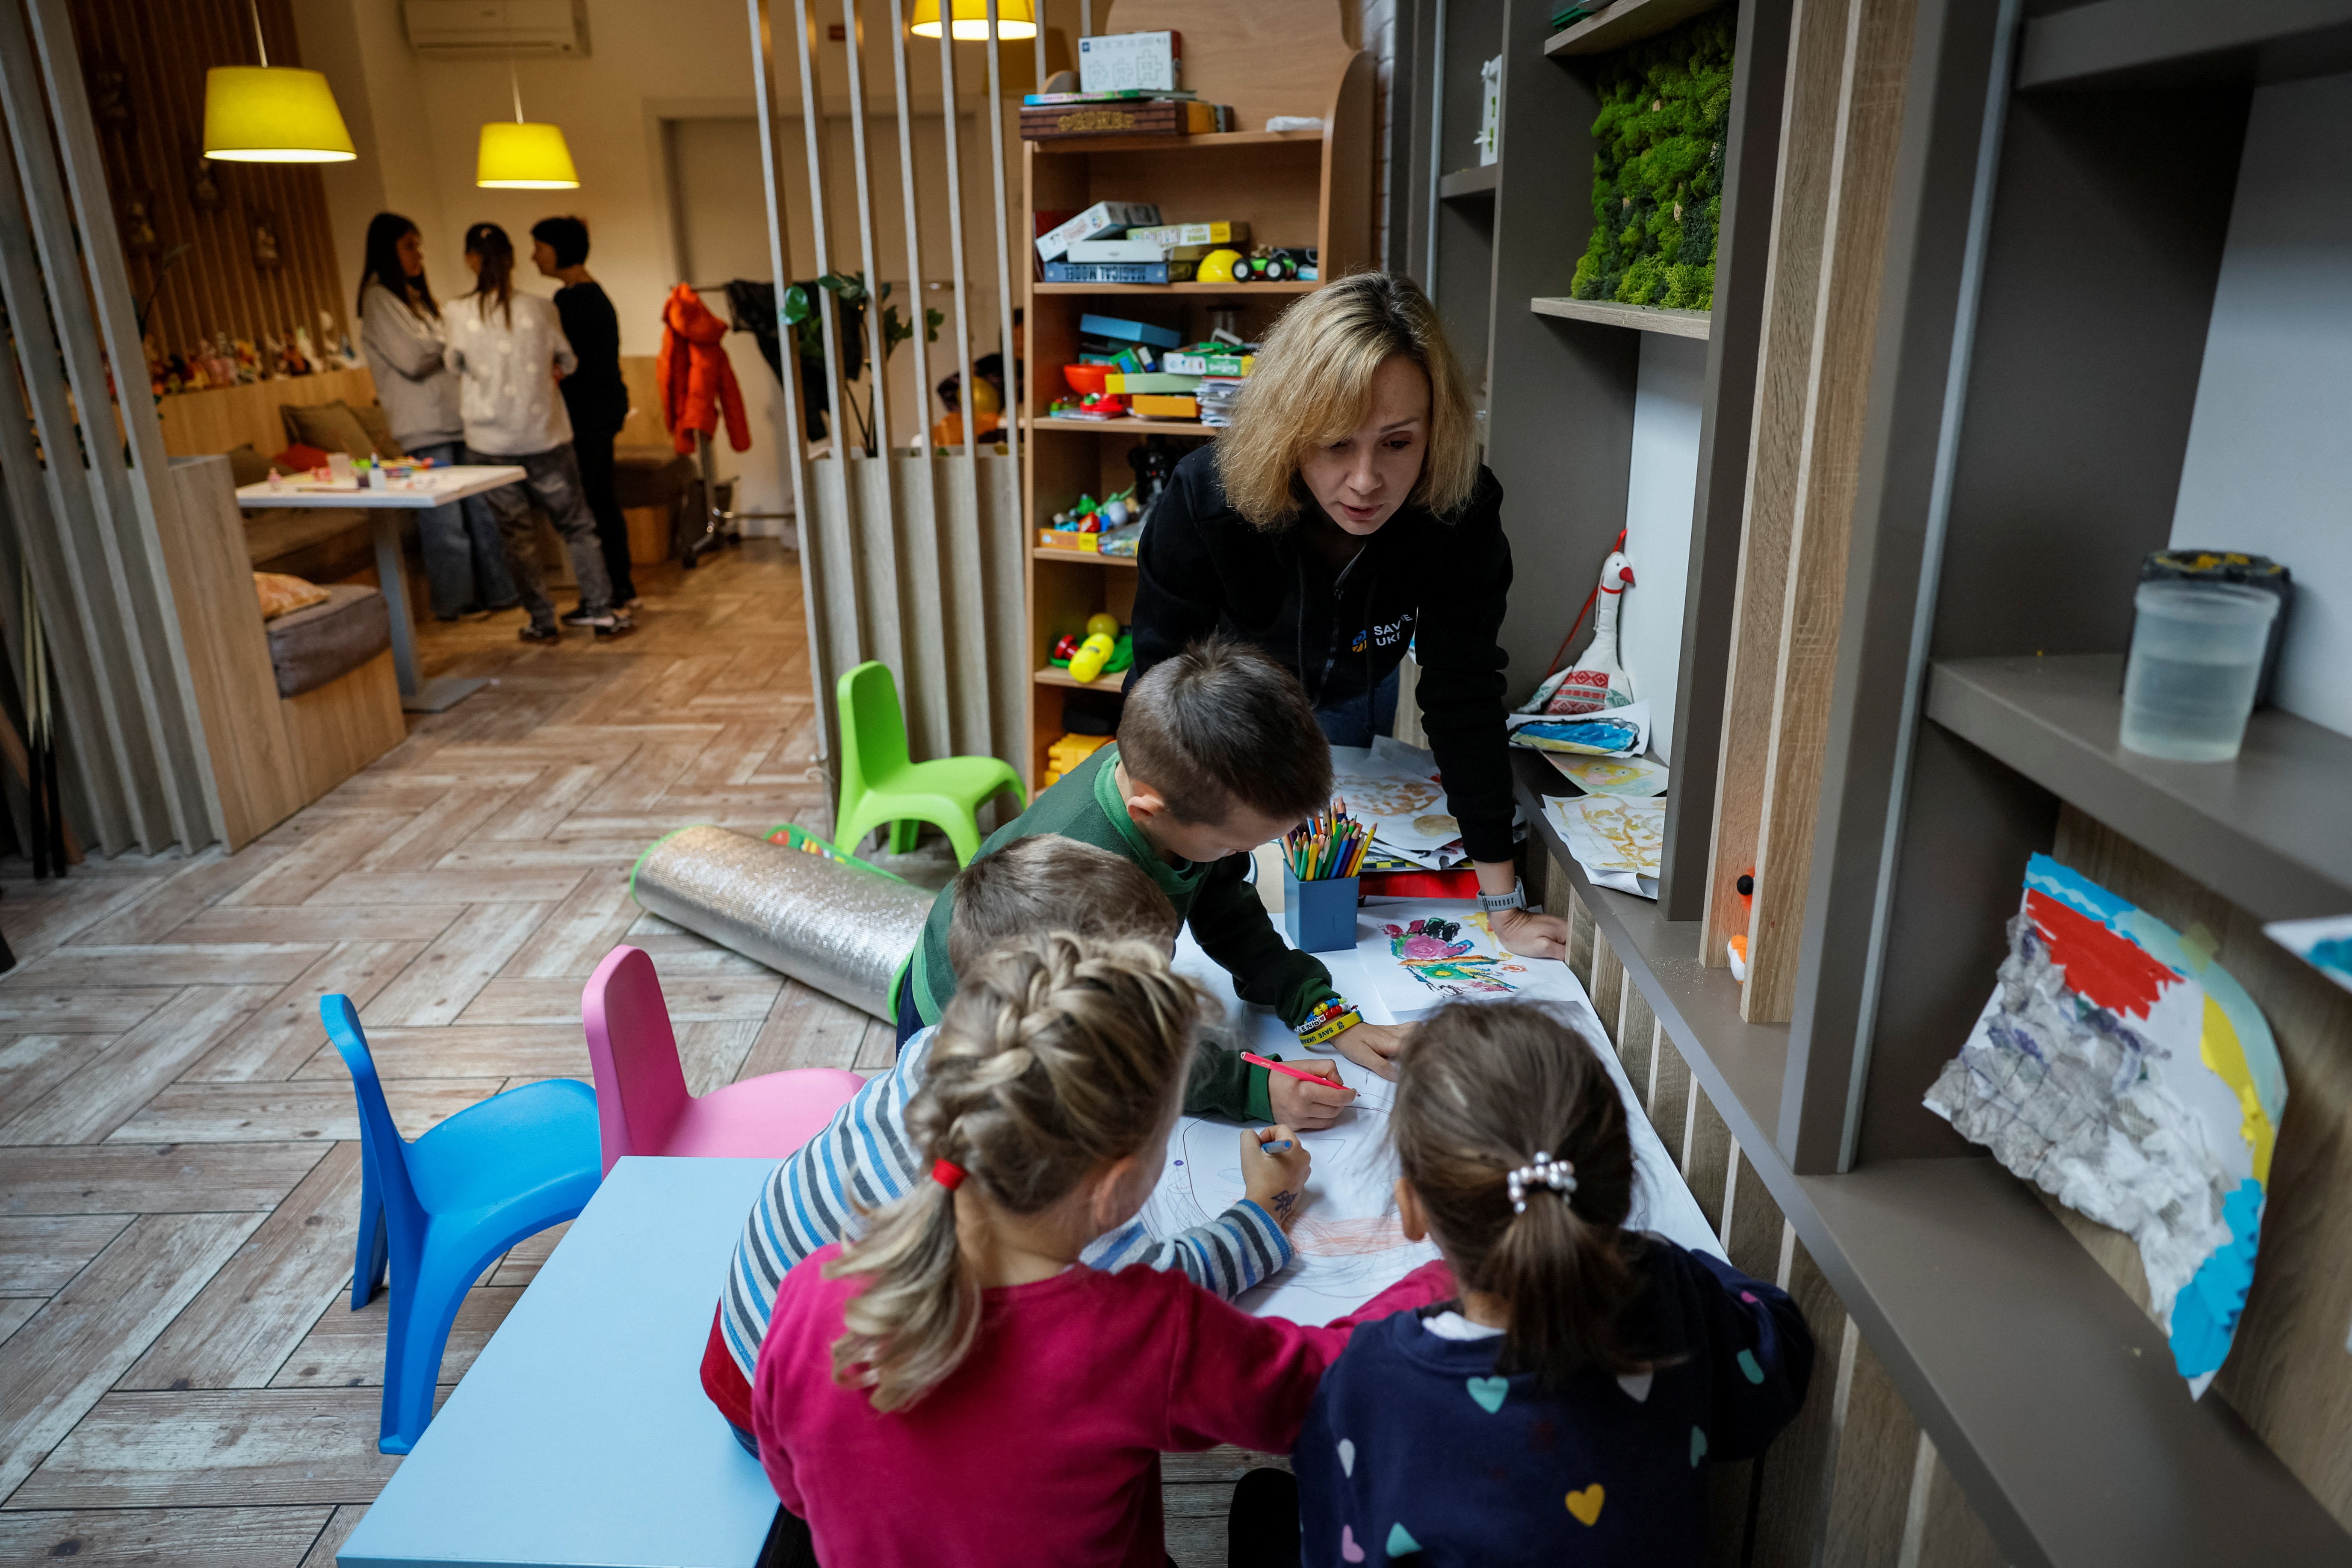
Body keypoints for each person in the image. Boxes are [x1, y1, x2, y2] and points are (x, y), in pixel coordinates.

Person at [749, 933, 1453, 1566]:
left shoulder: (814, 1286)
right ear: (1119, 1185)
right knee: (1277, 1505)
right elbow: (1320, 1387)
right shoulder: (1138, 1330)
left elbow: (796, 1490)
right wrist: (1453, 1279)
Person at [700, 836, 1316, 1450]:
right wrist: (1265, 1210)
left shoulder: (938, 1047)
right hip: (779, 1412)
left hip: (748, 1338)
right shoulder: (1057, 1192)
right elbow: (1173, 1283)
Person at [1129, 273, 1569, 961]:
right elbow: (1156, 695)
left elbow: (1464, 691)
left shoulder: (1461, 506)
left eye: (1397, 443)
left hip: (1357, 686)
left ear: (1436, 430)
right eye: (1335, 443)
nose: (1365, 481)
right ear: (1288, 430)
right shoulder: (1204, 497)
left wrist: (1504, 907)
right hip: (1224, 711)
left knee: (1333, 868)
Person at [1285, 1001, 1814, 1566]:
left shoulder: (1368, 1380)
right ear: (1618, 1184)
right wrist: (1658, 1256)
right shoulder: (1672, 1290)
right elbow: (1777, 1356)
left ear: (1412, 1209)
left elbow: (1336, 1538)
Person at [901, 635, 1409, 1092]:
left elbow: (1225, 908)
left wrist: (1321, 1010)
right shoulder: (1083, 891)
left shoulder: (1162, 778)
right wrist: (1251, 1087)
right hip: (967, 1032)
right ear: (1149, 809)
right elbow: (1112, 1053)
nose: (1241, 858)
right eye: (1234, 847)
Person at [441, 221, 632, 642]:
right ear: (511, 260)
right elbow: (570, 360)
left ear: (471, 260)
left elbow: (453, 365)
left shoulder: (456, 313)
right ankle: (602, 611)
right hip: (543, 433)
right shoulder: (542, 309)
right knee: (578, 524)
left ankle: (542, 620)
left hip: (489, 442)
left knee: (517, 534)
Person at [353, 212, 514, 619]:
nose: (418, 255)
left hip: (457, 419)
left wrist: (444, 342)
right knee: (445, 523)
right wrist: (449, 341)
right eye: (410, 246)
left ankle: (501, 593)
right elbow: (414, 357)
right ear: (388, 250)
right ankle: (456, 603)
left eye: (419, 245)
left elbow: (446, 348)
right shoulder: (378, 299)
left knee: (482, 514)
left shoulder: (418, 298)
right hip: (424, 427)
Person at [529, 216, 637, 613]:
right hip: (604, 410)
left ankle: (603, 594)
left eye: (539, 248)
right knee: (602, 500)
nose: (533, 257)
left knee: (585, 505)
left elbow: (567, 364)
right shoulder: (593, 295)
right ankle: (620, 587)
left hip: (589, 414)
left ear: (559, 250)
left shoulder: (573, 301)